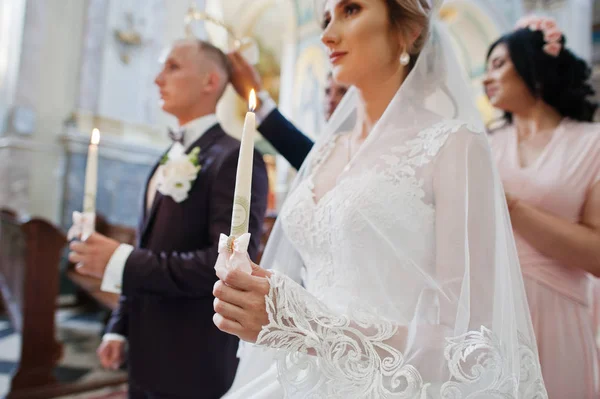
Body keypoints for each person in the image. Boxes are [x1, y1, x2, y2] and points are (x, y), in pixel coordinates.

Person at [212, 0, 547, 398]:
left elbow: (470, 344)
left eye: (351, 9)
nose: (327, 34)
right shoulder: (325, 151)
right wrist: (261, 288)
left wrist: (305, 324)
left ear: (409, 30)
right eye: (325, 18)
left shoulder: (454, 146)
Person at [69, 39, 269, 398]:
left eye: (172, 67)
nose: (158, 79)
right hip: (146, 344)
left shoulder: (234, 158)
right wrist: (119, 326)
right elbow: (147, 244)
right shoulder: (168, 155)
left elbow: (221, 264)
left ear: (210, 81)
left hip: (191, 353)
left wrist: (120, 259)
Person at [484, 16, 600, 398]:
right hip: (490, 313)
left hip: (559, 313)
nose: (486, 78)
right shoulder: (482, 144)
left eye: (498, 64)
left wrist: (512, 207)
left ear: (533, 64)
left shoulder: (591, 143)